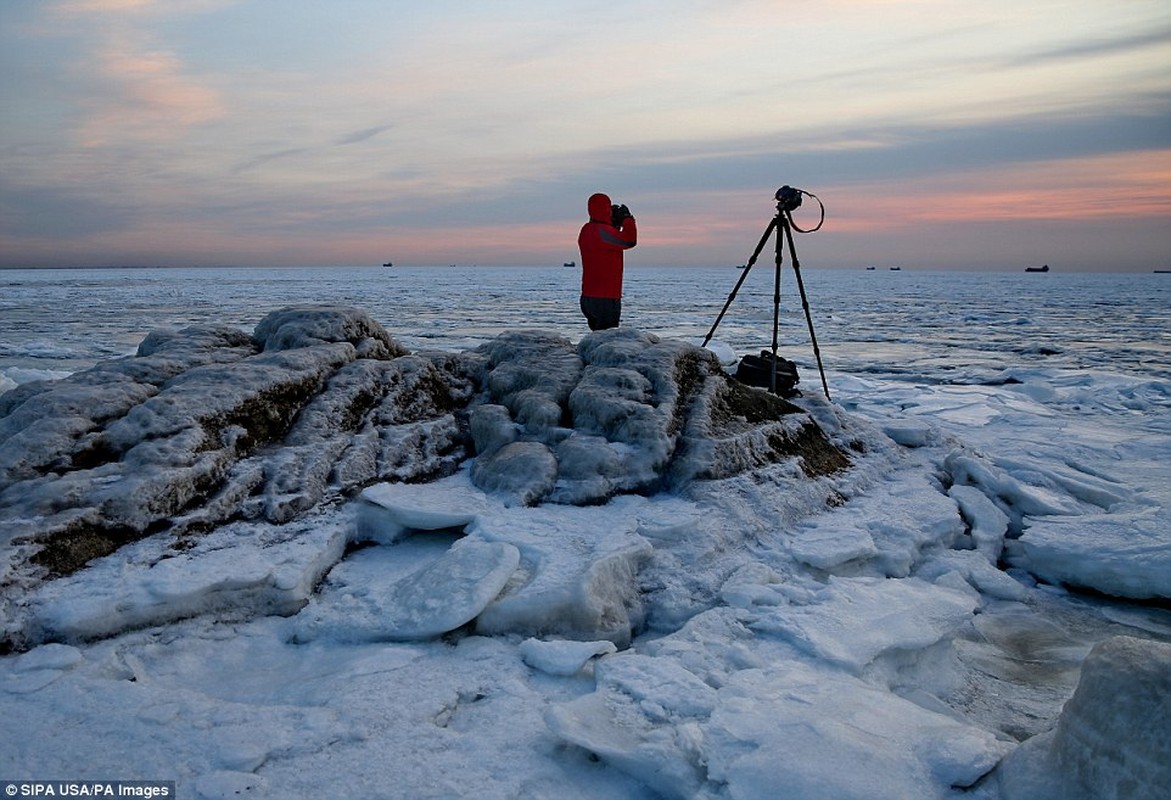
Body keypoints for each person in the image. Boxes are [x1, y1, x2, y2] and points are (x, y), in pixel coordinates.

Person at [577, 192, 637, 330]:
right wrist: (628, 220)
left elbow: (608, 242)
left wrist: (613, 225)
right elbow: (629, 240)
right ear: (605, 209)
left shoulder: (586, 230)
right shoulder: (602, 232)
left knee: (597, 338)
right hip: (605, 298)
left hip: (588, 296)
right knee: (607, 339)